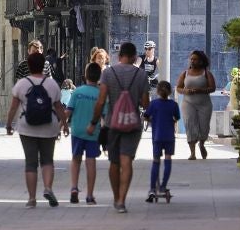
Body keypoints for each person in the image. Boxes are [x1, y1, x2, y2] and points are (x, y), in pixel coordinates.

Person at [88, 41, 151, 214]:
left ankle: (116, 197)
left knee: (114, 162)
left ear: (119, 55)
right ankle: (123, 199)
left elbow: (101, 101)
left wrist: (94, 123)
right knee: (127, 161)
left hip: (112, 123)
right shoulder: (141, 75)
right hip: (133, 123)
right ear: (134, 57)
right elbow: (145, 104)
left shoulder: (108, 73)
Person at [6, 51, 70, 207]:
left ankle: (32, 199)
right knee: (47, 160)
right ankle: (48, 188)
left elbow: (13, 107)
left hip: (27, 127)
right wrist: (65, 124)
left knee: (31, 163)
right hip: (49, 127)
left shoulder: (21, 84)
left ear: (29, 65)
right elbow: (59, 107)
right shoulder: (52, 84)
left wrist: (9, 124)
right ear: (43, 66)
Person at [66, 63, 103, 205]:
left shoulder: (77, 92)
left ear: (85, 75)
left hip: (77, 131)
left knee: (76, 159)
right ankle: (89, 195)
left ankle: (74, 188)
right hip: (93, 132)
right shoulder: (100, 94)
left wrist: (61, 125)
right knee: (91, 161)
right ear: (99, 77)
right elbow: (104, 115)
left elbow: (68, 111)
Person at [176, 49, 218, 160]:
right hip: (188, 103)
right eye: (191, 59)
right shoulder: (185, 73)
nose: (192, 61)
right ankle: (192, 153)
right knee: (190, 125)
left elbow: (213, 88)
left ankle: (202, 144)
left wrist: (201, 90)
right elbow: (178, 88)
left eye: (195, 59)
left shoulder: (206, 73)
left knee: (204, 127)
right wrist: (185, 91)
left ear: (201, 61)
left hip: (204, 104)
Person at [144, 81, 182, 202]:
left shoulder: (154, 104)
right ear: (170, 91)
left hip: (157, 136)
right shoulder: (173, 105)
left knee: (156, 161)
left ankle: (152, 188)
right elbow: (177, 117)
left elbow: (146, 116)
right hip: (169, 136)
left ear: (157, 91)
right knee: (168, 159)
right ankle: (163, 185)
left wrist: (152, 119)